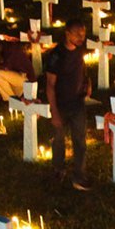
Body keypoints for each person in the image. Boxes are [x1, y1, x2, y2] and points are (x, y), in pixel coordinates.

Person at [45, 19, 92, 191]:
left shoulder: (79, 50)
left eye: (83, 34)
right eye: (77, 34)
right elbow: (50, 84)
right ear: (67, 33)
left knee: (80, 140)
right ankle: (58, 169)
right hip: (61, 104)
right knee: (58, 139)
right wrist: (54, 112)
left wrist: (88, 81)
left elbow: (82, 66)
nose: (81, 38)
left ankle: (79, 175)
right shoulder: (57, 56)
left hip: (77, 103)